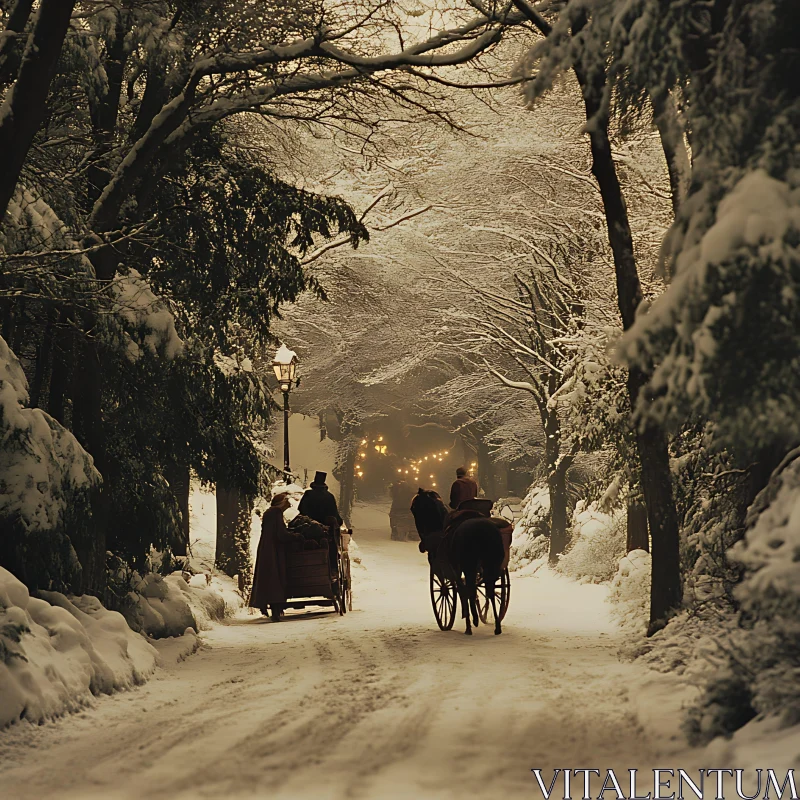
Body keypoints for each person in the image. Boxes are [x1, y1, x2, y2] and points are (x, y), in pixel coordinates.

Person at [249, 493, 303, 621]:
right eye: (286, 503)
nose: (287, 506)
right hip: (273, 550)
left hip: (267, 548)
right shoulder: (276, 512)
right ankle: (275, 607)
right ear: (281, 503)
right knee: (275, 577)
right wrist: (295, 536)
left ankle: (271, 606)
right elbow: (280, 534)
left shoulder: (271, 512)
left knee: (269, 577)